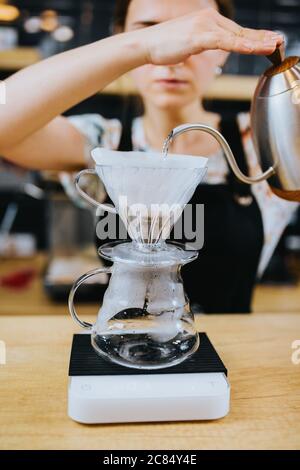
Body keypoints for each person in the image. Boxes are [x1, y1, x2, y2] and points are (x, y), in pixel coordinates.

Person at [0, 0, 295, 312]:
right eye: (151, 31)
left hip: (233, 351)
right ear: (122, 38)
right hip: (131, 348)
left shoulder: (268, 140)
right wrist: (141, 48)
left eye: (197, 34)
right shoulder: (105, 147)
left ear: (224, 49)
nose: (175, 57)